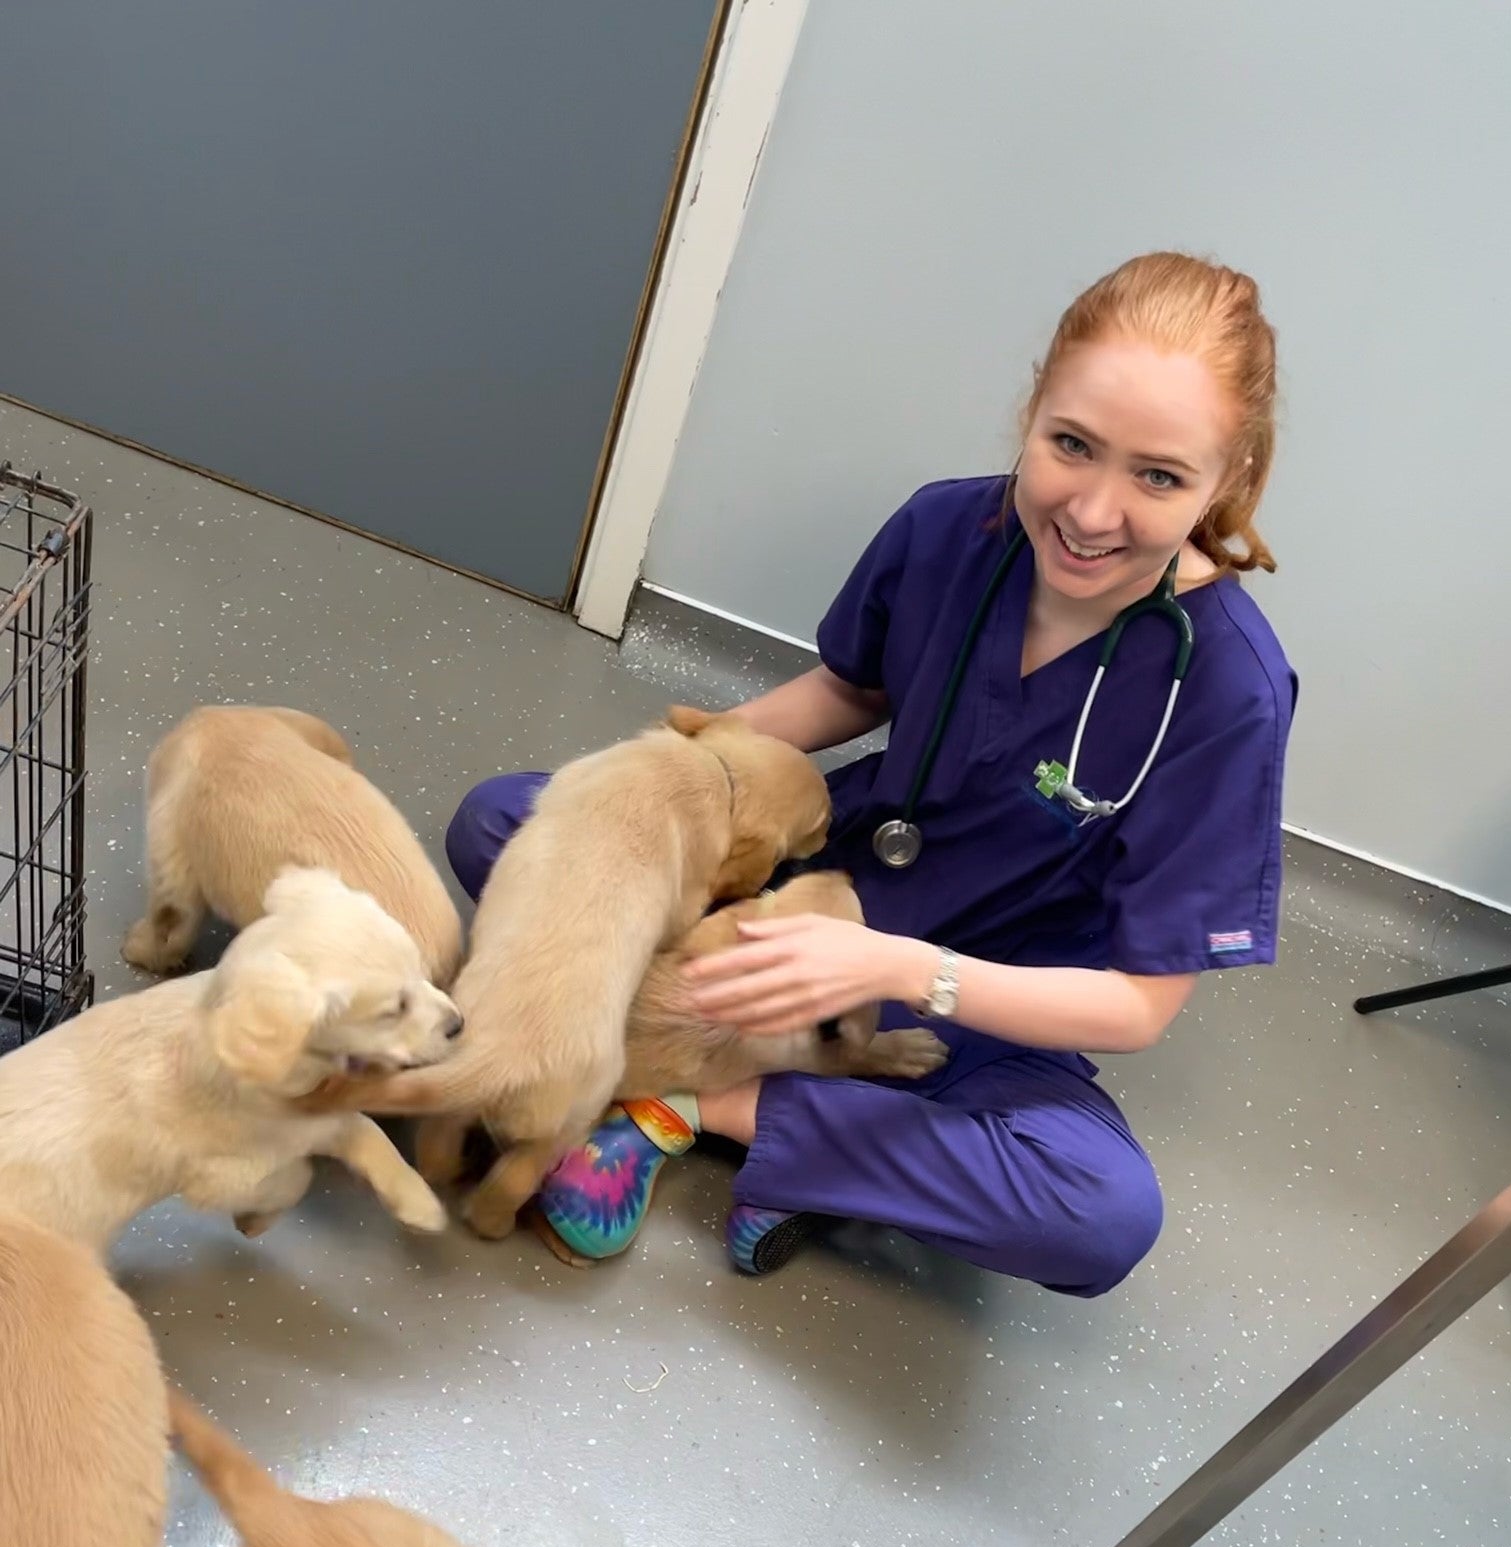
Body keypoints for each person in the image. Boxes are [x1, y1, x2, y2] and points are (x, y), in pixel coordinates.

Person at [446, 251, 1298, 1286]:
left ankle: (678, 1099)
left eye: (1159, 477)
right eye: (1071, 445)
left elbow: (1136, 1008)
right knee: (511, 820)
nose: (1092, 512)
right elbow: (853, 691)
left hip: (976, 998)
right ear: (1031, 413)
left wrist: (896, 971)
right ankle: (803, 1129)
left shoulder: (1226, 692)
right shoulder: (947, 527)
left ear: (1230, 479)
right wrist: (685, 770)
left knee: (1096, 1212)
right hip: (805, 895)